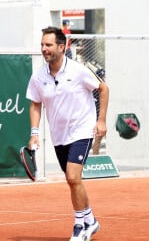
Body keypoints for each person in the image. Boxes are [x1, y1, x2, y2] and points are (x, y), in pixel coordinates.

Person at [26, 26, 109, 241]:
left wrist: (101, 120)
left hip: (82, 129)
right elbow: (35, 104)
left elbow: (103, 88)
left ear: (61, 47)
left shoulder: (78, 70)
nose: (44, 49)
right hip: (59, 135)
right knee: (73, 181)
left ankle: (79, 225)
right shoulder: (38, 77)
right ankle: (90, 220)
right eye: (42, 45)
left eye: (49, 45)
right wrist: (34, 133)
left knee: (73, 176)